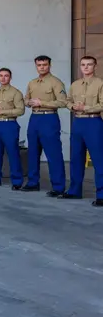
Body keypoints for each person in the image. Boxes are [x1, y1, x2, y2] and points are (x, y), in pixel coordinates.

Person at [58, 56, 103, 205]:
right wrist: (72, 106)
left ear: (95, 66)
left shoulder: (100, 84)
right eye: (83, 64)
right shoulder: (75, 84)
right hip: (78, 122)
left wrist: (85, 108)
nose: (86, 67)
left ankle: (101, 195)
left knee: (99, 159)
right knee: (76, 158)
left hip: (93, 122)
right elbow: (67, 100)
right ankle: (74, 191)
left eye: (89, 64)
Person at [23, 55, 67, 196]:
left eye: (44, 65)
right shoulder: (32, 83)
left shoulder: (56, 82)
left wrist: (41, 103)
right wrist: (29, 102)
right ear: (36, 66)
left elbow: (63, 102)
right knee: (33, 152)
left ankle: (58, 187)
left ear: (49, 65)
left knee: (53, 153)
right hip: (34, 118)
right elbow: (26, 99)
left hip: (49, 118)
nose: (42, 67)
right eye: (39, 65)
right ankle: (33, 183)